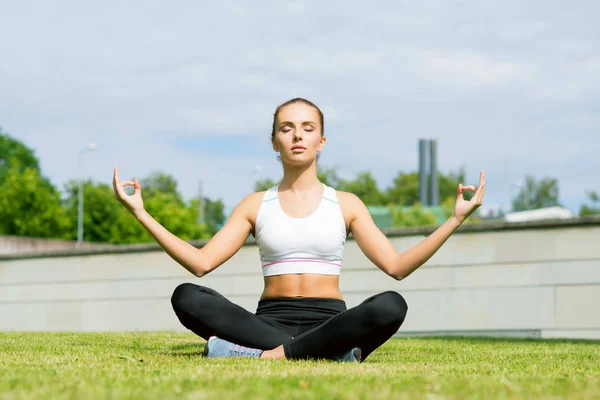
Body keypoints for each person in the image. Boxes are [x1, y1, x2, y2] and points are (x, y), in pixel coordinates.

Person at [112, 98, 485, 362]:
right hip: (267, 320)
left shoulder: (347, 203)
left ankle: (265, 355)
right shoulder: (255, 204)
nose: (297, 136)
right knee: (188, 296)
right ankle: (329, 354)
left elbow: (397, 267)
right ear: (275, 142)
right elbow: (200, 263)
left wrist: (455, 219)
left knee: (391, 305)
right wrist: (141, 213)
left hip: (333, 320)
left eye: (308, 128)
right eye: (286, 128)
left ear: (321, 141)